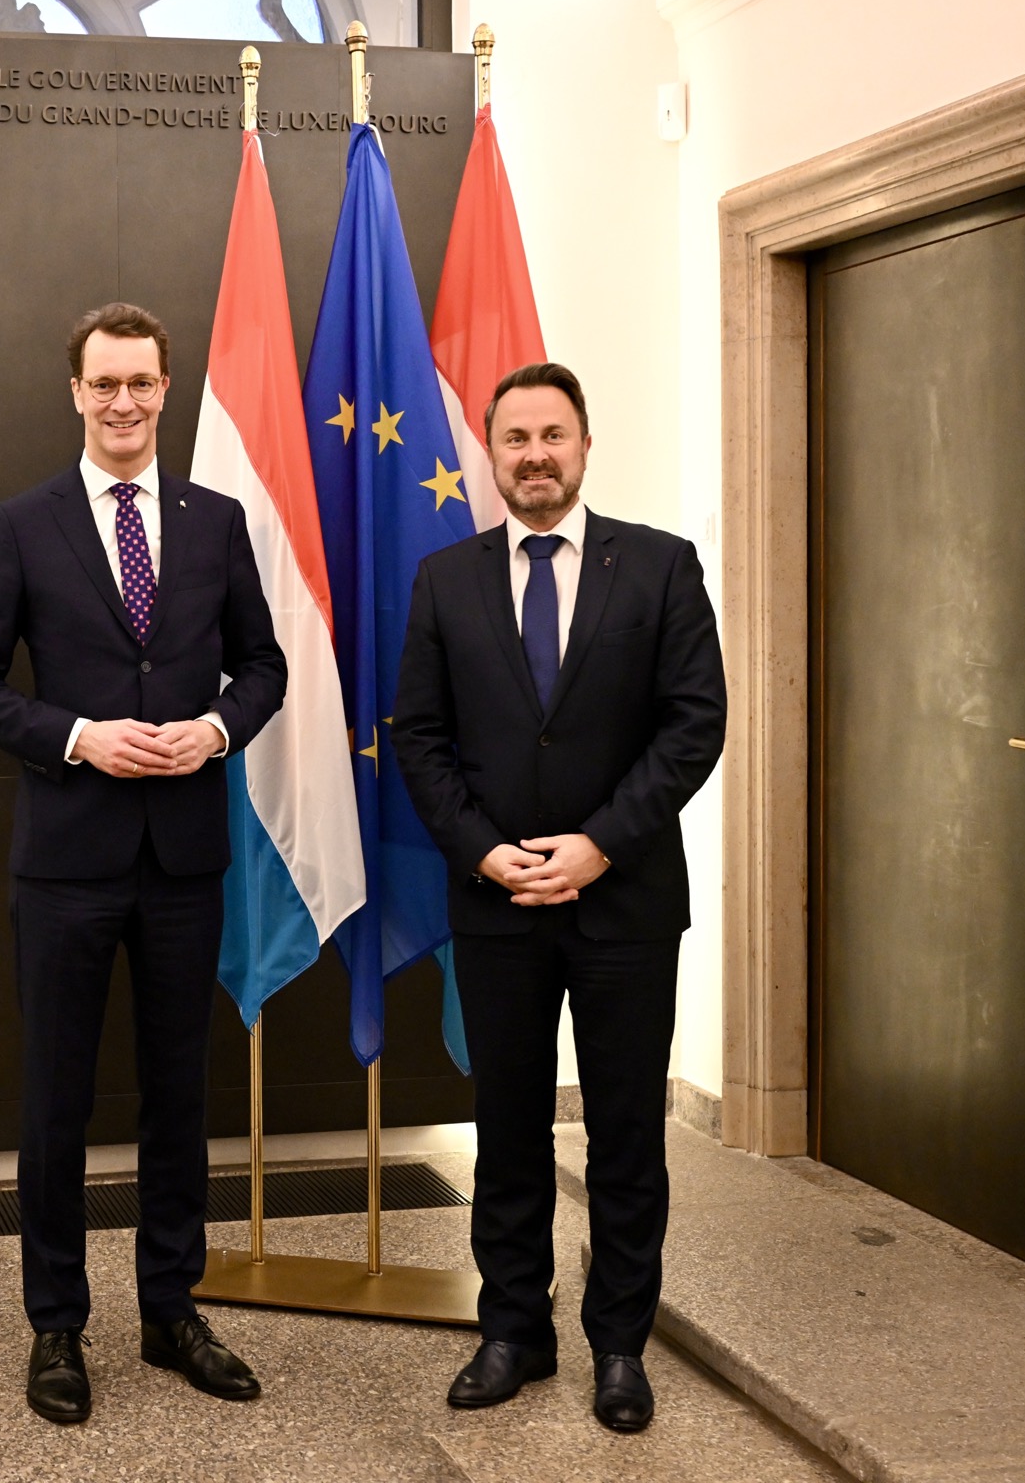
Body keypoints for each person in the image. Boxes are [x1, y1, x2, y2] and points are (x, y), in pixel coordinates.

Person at [0, 302, 288, 1426]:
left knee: (178, 1097)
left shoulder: (216, 522)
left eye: (142, 382)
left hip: (184, 860)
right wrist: (78, 737)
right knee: (57, 1101)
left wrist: (218, 731)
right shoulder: (22, 524)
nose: (124, 401)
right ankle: (56, 1325)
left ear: (165, 389)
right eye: (105, 383)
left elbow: (265, 666)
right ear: (76, 393)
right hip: (67, 863)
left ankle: (170, 1311)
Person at [393, 362, 725, 1432]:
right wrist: (486, 854)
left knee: (626, 1135)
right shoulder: (445, 579)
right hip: (498, 906)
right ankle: (513, 1333)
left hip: (626, 904)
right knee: (508, 1130)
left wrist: (599, 847)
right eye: (515, 439)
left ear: (584, 445)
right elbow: (420, 738)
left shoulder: (661, 567)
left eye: (552, 435)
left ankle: (619, 1346)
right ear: (491, 455)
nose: (534, 455)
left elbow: (694, 725)